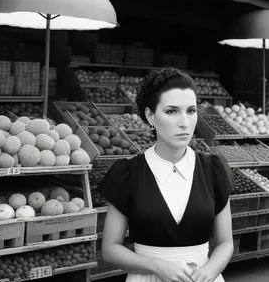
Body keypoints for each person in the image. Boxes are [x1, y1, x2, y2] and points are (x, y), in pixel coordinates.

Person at [98, 67, 235, 282]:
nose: (184, 122)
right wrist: (156, 265)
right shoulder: (128, 173)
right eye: (172, 111)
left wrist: (209, 271)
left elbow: (225, 242)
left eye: (191, 110)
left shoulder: (213, 169)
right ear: (150, 115)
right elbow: (110, 248)